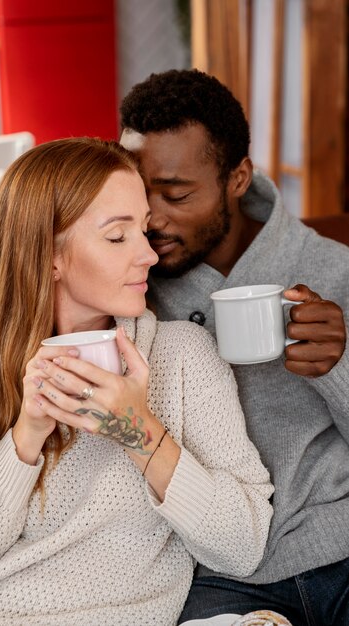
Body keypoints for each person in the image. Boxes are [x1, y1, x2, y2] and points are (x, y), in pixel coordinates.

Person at [0, 138, 273, 626]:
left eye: (145, 231)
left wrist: (140, 433)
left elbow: (244, 546)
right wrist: (26, 438)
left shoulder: (181, 357)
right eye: (118, 237)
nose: (148, 257)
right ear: (48, 255)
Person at [120, 69, 349, 625]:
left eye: (176, 194)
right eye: (136, 189)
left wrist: (338, 366)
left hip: (338, 547)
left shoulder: (333, 269)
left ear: (238, 177)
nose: (151, 217)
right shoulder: (128, 281)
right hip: (210, 572)